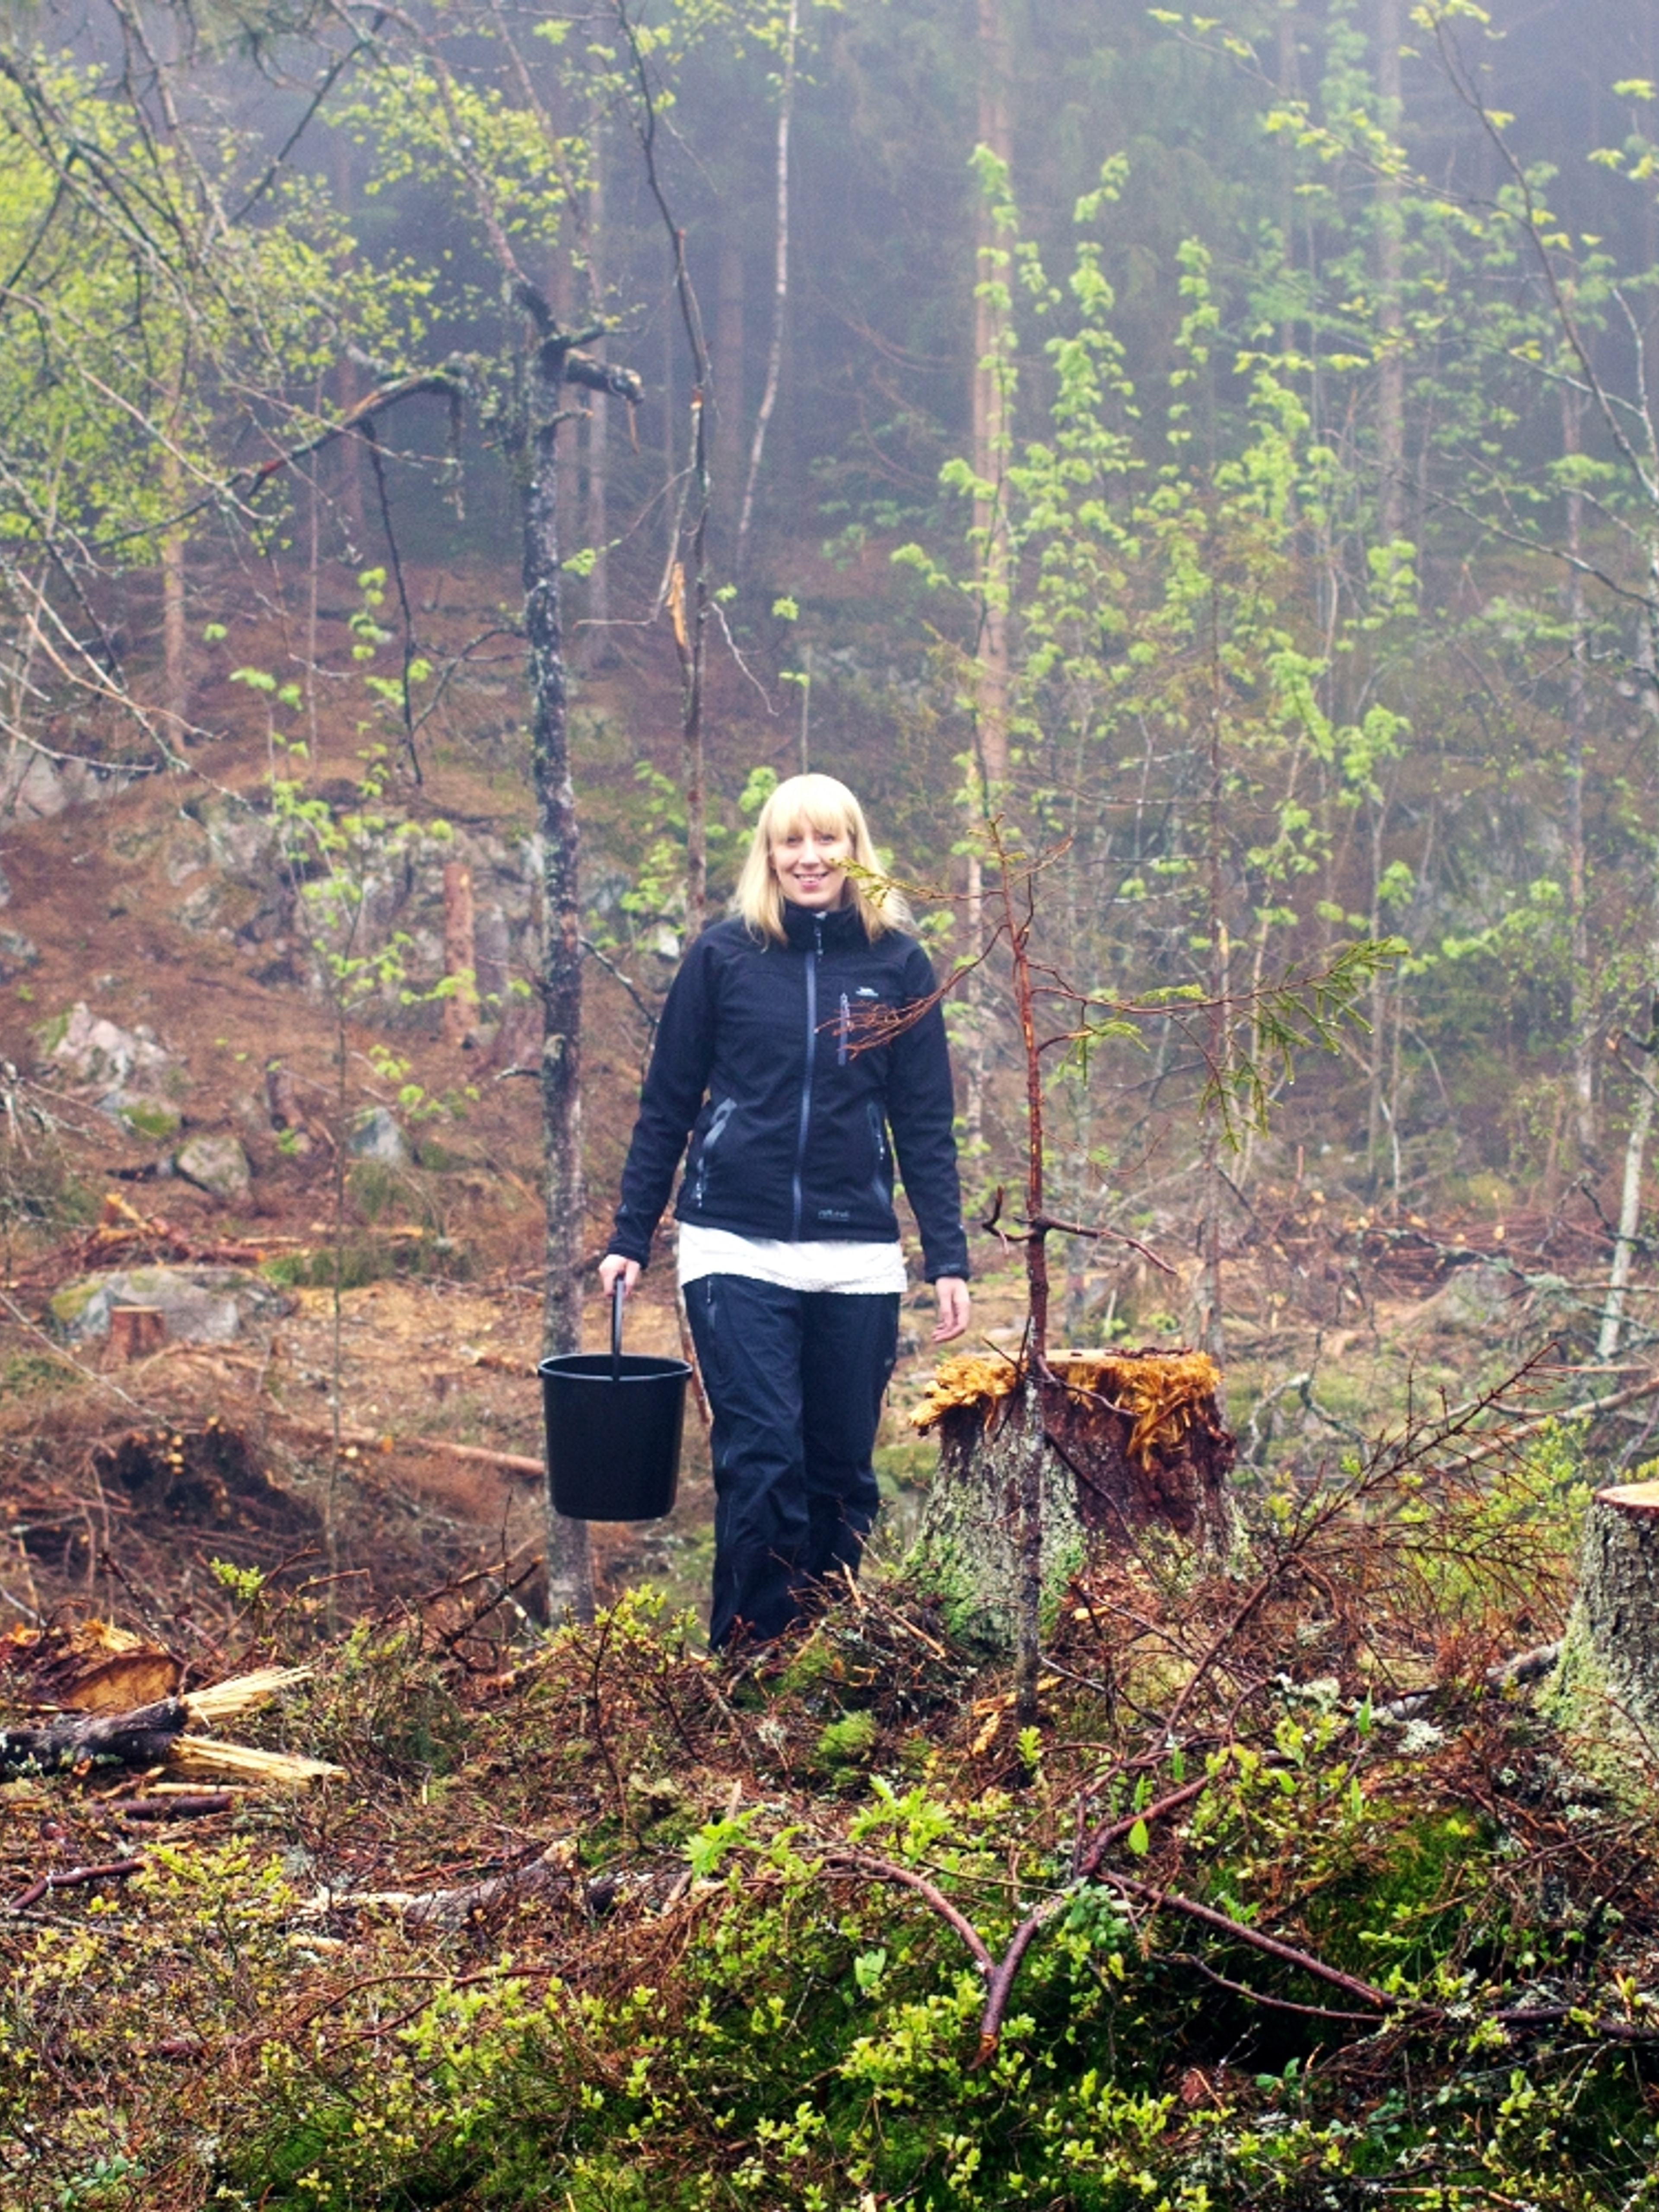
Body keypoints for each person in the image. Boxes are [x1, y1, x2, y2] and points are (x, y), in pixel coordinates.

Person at [599, 773, 971, 1651]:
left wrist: (947, 1256)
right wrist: (629, 1233)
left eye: (827, 840)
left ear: (854, 851)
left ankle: (822, 1657)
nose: (809, 857)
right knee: (765, 1461)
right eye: (790, 842)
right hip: (734, 1241)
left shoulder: (899, 966)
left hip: (857, 1254)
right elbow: (667, 1102)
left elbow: (923, 1122)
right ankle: (751, 1663)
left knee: (842, 1473)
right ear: (769, 854)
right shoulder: (724, 956)